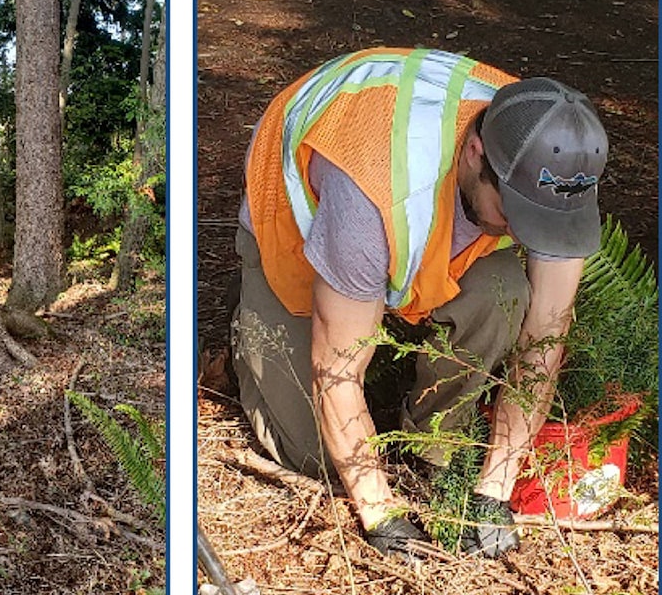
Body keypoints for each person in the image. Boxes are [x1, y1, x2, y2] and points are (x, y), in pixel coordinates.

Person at [231, 47, 607, 559]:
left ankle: (431, 443)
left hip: (417, 218)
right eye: (513, 213)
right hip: (301, 230)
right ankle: (254, 327)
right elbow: (333, 370)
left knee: (506, 295)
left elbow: (545, 341)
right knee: (312, 454)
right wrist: (381, 514)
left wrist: (495, 490)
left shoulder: (550, 162)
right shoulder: (373, 193)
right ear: (476, 152)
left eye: (537, 221)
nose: (523, 234)